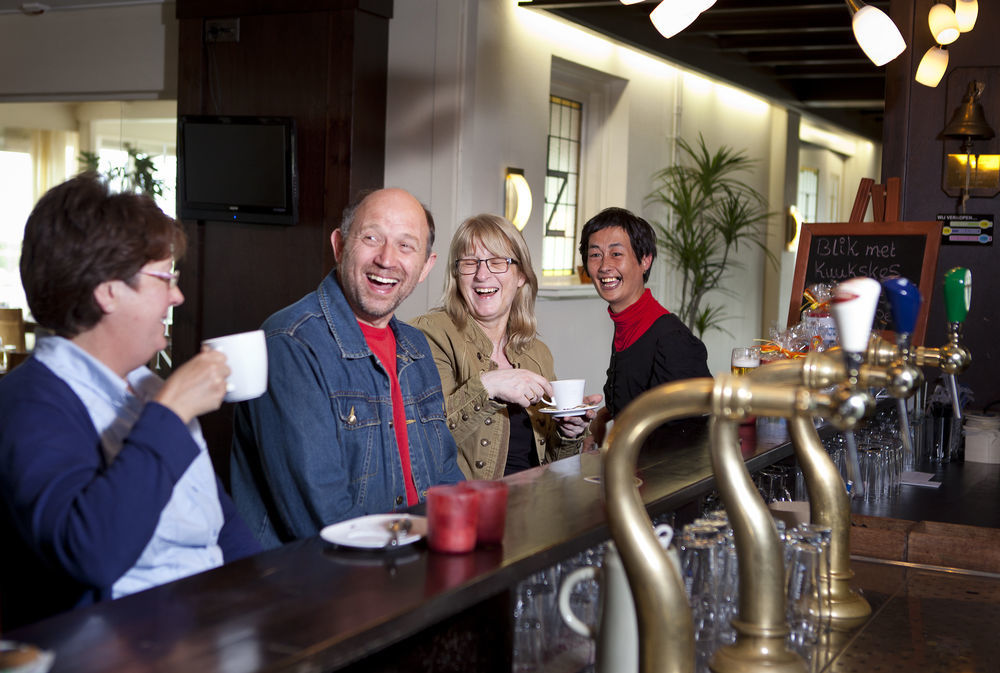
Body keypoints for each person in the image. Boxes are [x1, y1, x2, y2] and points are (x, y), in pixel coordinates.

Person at [0, 174, 260, 630]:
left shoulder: (145, 388)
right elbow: (92, 553)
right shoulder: (30, 404)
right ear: (108, 290)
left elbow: (219, 527)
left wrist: (271, 601)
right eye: (164, 278)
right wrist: (172, 414)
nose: (177, 295)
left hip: (213, 628)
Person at [231, 188, 465, 548]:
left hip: (412, 568)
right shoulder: (290, 342)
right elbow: (320, 515)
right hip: (323, 583)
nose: (387, 259)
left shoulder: (415, 347)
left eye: (406, 246)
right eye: (371, 238)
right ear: (339, 245)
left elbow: (446, 476)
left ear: (425, 267)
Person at [413, 215, 600, 479]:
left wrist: (569, 433)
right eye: (470, 262)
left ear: (521, 275)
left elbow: (555, 467)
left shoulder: (537, 353)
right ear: (457, 274)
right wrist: (489, 386)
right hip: (470, 510)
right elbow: (421, 442)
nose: (482, 274)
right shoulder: (429, 334)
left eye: (497, 262)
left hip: (535, 502)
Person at [579, 207, 711, 445]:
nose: (604, 266)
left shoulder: (671, 339)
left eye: (616, 254)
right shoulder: (626, 324)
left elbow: (691, 430)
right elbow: (642, 395)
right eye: (595, 255)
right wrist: (601, 417)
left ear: (645, 260)